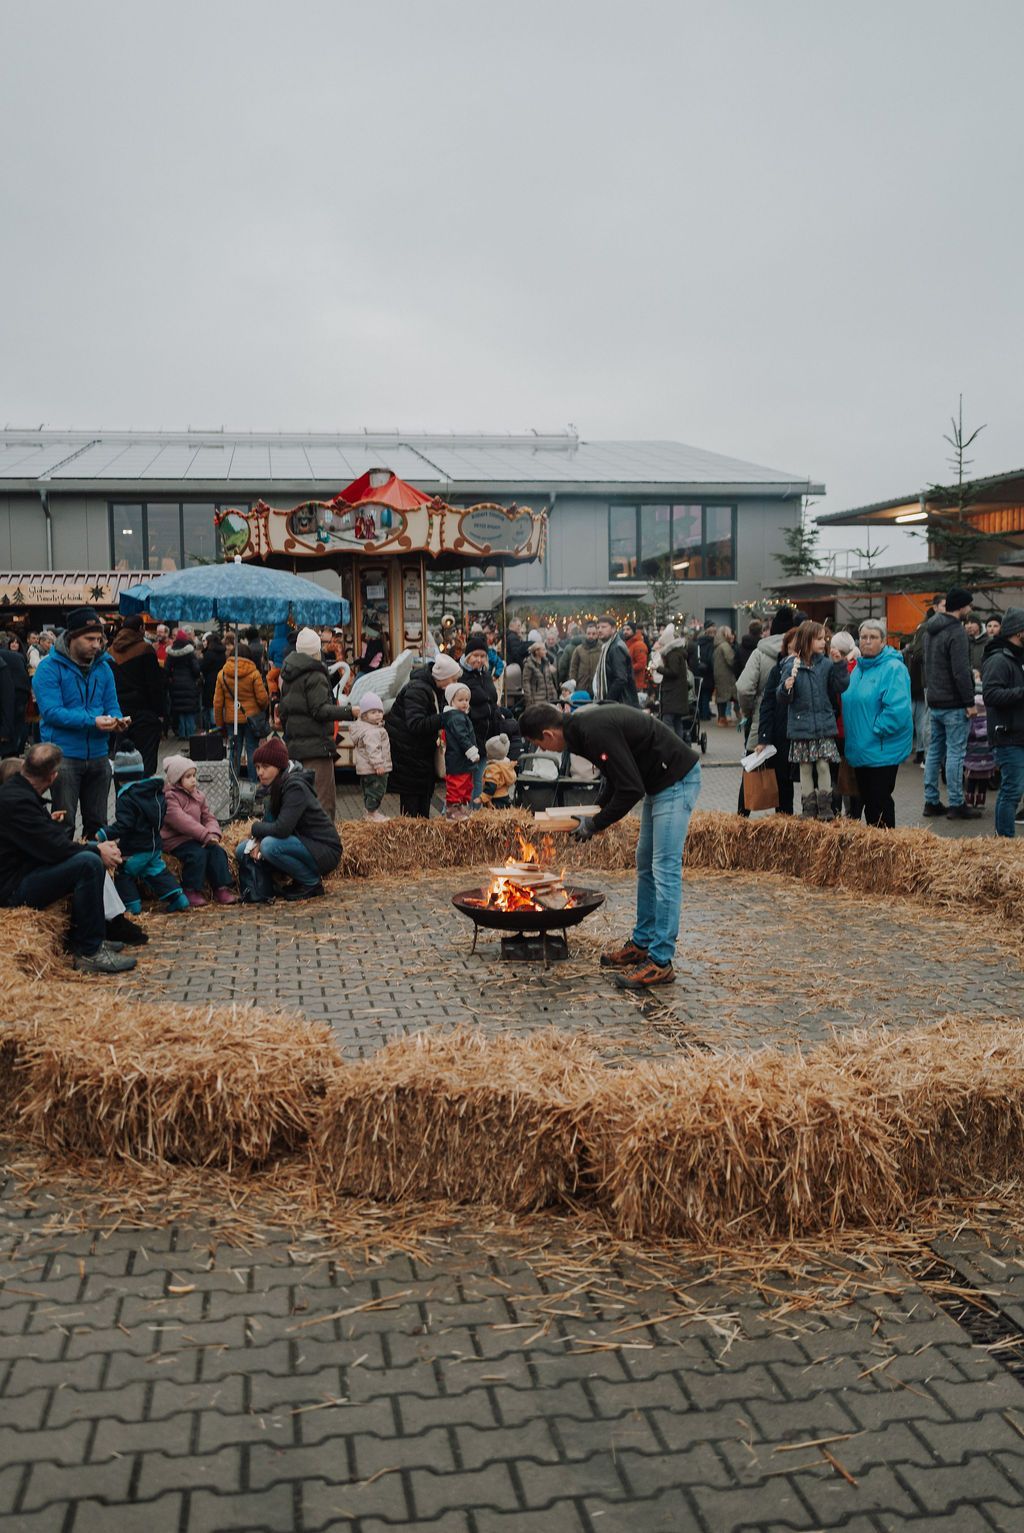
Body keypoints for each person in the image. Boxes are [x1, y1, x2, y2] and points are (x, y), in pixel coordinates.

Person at [520, 701, 701, 990]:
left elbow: (630, 788)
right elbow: (613, 776)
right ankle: (642, 944)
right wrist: (595, 812)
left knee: (664, 869)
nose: (543, 750)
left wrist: (595, 823)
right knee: (646, 865)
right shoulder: (580, 730)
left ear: (548, 734)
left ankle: (661, 962)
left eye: (538, 744)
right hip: (656, 781)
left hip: (675, 779)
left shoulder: (592, 731)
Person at [0, 743, 137, 974]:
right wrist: (97, 851)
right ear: (53, 776)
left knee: (88, 854)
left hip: (21, 871)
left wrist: (93, 846)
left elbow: (42, 839)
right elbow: (53, 848)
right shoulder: (17, 800)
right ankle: (89, 951)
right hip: (11, 888)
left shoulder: (18, 792)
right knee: (88, 863)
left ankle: (90, 936)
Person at [32, 606, 126, 838]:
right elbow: (52, 712)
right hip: (63, 757)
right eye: (90, 638)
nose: (97, 644)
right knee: (64, 824)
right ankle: (64, 872)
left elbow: (111, 703)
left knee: (98, 825)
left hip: (99, 756)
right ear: (72, 636)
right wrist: (93, 721)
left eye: (99, 638)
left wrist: (117, 719)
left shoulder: (103, 667)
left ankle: (97, 871)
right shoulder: (48, 668)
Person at [236, 737, 341, 901]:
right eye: (257, 767)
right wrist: (255, 840)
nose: (259, 772)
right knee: (242, 849)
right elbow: (271, 822)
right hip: (301, 843)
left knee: (269, 846)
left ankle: (311, 882)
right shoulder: (275, 785)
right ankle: (272, 883)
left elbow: (282, 829)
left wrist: (255, 829)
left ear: (278, 767)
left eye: (265, 767)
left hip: (323, 849)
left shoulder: (295, 787)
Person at [98, 747, 190, 914]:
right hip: (154, 845)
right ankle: (179, 898)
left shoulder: (126, 798)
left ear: (119, 778)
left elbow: (124, 825)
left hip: (135, 848)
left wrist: (104, 833)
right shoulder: (154, 792)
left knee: (123, 871)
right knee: (156, 870)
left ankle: (132, 905)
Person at [839, 620, 912, 829]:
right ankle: (874, 852)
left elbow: (897, 710)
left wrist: (876, 730)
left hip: (881, 749)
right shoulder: (859, 669)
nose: (867, 641)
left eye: (873, 637)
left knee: (879, 803)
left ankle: (886, 849)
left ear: (883, 642)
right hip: (860, 749)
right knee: (869, 803)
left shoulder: (893, 668)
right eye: (863, 637)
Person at [777, 620, 850, 820]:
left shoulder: (826, 664)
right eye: (819, 639)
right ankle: (808, 808)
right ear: (807, 640)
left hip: (823, 725)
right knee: (805, 767)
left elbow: (839, 687)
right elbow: (783, 698)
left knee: (824, 765)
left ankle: (825, 807)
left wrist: (840, 665)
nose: (823, 643)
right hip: (801, 726)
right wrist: (786, 688)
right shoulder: (792, 664)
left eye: (824, 639)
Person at [278, 627, 352, 818]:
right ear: (316, 650)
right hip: (317, 749)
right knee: (323, 803)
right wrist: (350, 711)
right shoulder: (315, 674)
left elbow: (284, 713)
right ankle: (324, 844)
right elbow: (320, 710)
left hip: (295, 749)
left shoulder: (287, 675)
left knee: (301, 803)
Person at [923, 588, 980, 821]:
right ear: (961, 606)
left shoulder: (930, 630)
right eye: (969, 605)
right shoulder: (956, 631)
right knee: (956, 753)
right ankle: (957, 803)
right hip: (954, 703)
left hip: (935, 700)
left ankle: (931, 801)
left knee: (935, 752)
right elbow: (960, 671)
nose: (970, 609)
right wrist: (969, 702)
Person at [385, 653, 459, 818]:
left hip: (419, 758)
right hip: (409, 758)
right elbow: (416, 724)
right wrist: (444, 718)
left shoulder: (434, 689)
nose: (455, 684)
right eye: (453, 680)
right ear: (443, 677)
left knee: (422, 810)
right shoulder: (418, 690)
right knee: (412, 812)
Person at [160, 754, 239, 906]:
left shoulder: (198, 796)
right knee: (196, 854)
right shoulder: (169, 798)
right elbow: (182, 822)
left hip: (195, 837)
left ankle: (220, 888)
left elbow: (208, 817)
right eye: (188, 776)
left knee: (217, 851)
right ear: (177, 780)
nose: (193, 780)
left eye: (194, 775)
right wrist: (204, 835)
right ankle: (190, 889)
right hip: (175, 840)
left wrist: (213, 833)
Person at [981, 607, 1024, 837]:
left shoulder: (1017, 657)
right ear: (1019, 632)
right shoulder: (999, 659)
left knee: (1013, 789)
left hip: (1018, 733)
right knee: (1011, 791)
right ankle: (1004, 841)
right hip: (1007, 736)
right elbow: (991, 695)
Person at [107, 616, 166, 773]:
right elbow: (154, 685)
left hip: (119, 712)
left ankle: (124, 792)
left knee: (122, 757)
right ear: (141, 628)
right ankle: (144, 792)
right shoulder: (144, 649)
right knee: (146, 758)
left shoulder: (110, 651)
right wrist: (159, 713)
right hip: (144, 712)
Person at [753, 626, 798, 815]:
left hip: (805, 735)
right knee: (783, 785)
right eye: (790, 649)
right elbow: (767, 705)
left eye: (799, 649)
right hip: (782, 735)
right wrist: (764, 737)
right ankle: (784, 822)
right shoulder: (777, 670)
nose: (794, 654)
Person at [214, 641, 270, 783]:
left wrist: (220, 724)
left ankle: (233, 783)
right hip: (251, 719)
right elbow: (263, 699)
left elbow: (218, 703)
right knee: (252, 750)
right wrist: (260, 708)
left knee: (234, 751)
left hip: (231, 720)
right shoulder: (254, 673)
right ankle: (253, 784)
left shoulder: (222, 674)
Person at [460, 635, 500, 805]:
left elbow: (491, 700)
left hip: (485, 737)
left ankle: (473, 815)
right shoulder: (462, 676)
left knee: (478, 781)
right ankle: (453, 815)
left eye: (482, 656)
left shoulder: (485, 675)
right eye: (475, 655)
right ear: (468, 656)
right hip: (470, 737)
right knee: (463, 782)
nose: (479, 659)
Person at [348, 690, 392, 821]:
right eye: (373, 712)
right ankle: (372, 813)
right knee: (376, 790)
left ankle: (369, 812)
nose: (378, 715)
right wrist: (378, 765)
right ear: (364, 715)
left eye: (379, 711)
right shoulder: (371, 731)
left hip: (367, 768)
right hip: (374, 768)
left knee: (369, 790)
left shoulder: (370, 728)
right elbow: (373, 749)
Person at [441, 682, 480, 823]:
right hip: (457, 759)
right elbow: (461, 737)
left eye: (467, 700)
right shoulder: (455, 717)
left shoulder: (461, 716)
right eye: (460, 700)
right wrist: (471, 751)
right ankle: (452, 810)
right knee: (457, 785)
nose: (464, 703)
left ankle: (462, 806)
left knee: (466, 784)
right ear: (451, 701)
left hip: (462, 760)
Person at [651, 625, 692, 742]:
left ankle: (672, 745)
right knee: (677, 721)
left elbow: (673, 672)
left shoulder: (673, 655)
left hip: (672, 694)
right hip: (677, 694)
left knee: (668, 721)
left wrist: (658, 668)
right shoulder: (678, 654)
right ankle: (680, 746)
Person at [592, 616, 640, 707]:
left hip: (621, 703)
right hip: (618, 703)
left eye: (604, 627)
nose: (600, 630)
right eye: (598, 627)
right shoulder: (608, 646)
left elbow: (621, 678)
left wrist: (608, 701)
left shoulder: (616, 647)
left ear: (613, 629)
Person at [165, 628, 203, 740]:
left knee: (180, 711)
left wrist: (171, 678)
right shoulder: (190, 652)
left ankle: (182, 734)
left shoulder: (171, 653)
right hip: (189, 684)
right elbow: (196, 669)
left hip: (176, 684)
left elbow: (166, 670)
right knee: (190, 710)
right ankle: (190, 735)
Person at [0, 635, 30, 753]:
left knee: (11, 722)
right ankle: (16, 750)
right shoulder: (18, 656)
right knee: (19, 723)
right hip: (22, 691)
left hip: (12, 691)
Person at [200, 630, 226, 730]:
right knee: (217, 704)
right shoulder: (222, 653)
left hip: (210, 682)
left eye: (206, 641)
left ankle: (213, 728)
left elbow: (202, 667)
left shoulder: (209, 654)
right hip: (220, 680)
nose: (204, 643)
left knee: (211, 707)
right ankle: (218, 727)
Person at [481, 733, 516, 809]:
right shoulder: (507, 765)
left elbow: (491, 784)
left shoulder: (493, 768)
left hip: (494, 798)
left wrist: (483, 798)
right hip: (505, 795)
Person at [522, 638, 559, 708]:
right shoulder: (529, 665)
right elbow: (526, 683)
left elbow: (549, 680)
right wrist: (529, 700)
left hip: (548, 699)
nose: (546, 652)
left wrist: (554, 695)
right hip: (536, 700)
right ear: (537, 652)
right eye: (543, 649)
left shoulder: (546, 663)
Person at [712, 626, 738, 725]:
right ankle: (723, 719)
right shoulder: (725, 646)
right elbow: (731, 660)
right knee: (726, 696)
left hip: (719, 674)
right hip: (726, 675)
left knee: (721, 696)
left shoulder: (717, 645)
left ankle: (721, 718)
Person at [569, 623, 601, 696]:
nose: (591, 636)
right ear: (585, 634)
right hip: (581, 686)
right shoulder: (579, 649)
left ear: (597, 635)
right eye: (588, 633)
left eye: (593, 634)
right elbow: (573, 667)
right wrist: (573, 680)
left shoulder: (602, 648)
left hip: (597, 687)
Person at [622, 622, 649, 695]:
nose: (625, 632)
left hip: (636, 684)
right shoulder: (627, 644)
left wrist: (625, 669)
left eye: (628, 629)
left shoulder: (639, 645)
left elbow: (641, 664)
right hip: (628, 682)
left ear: (633, 631)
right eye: (623, 630)